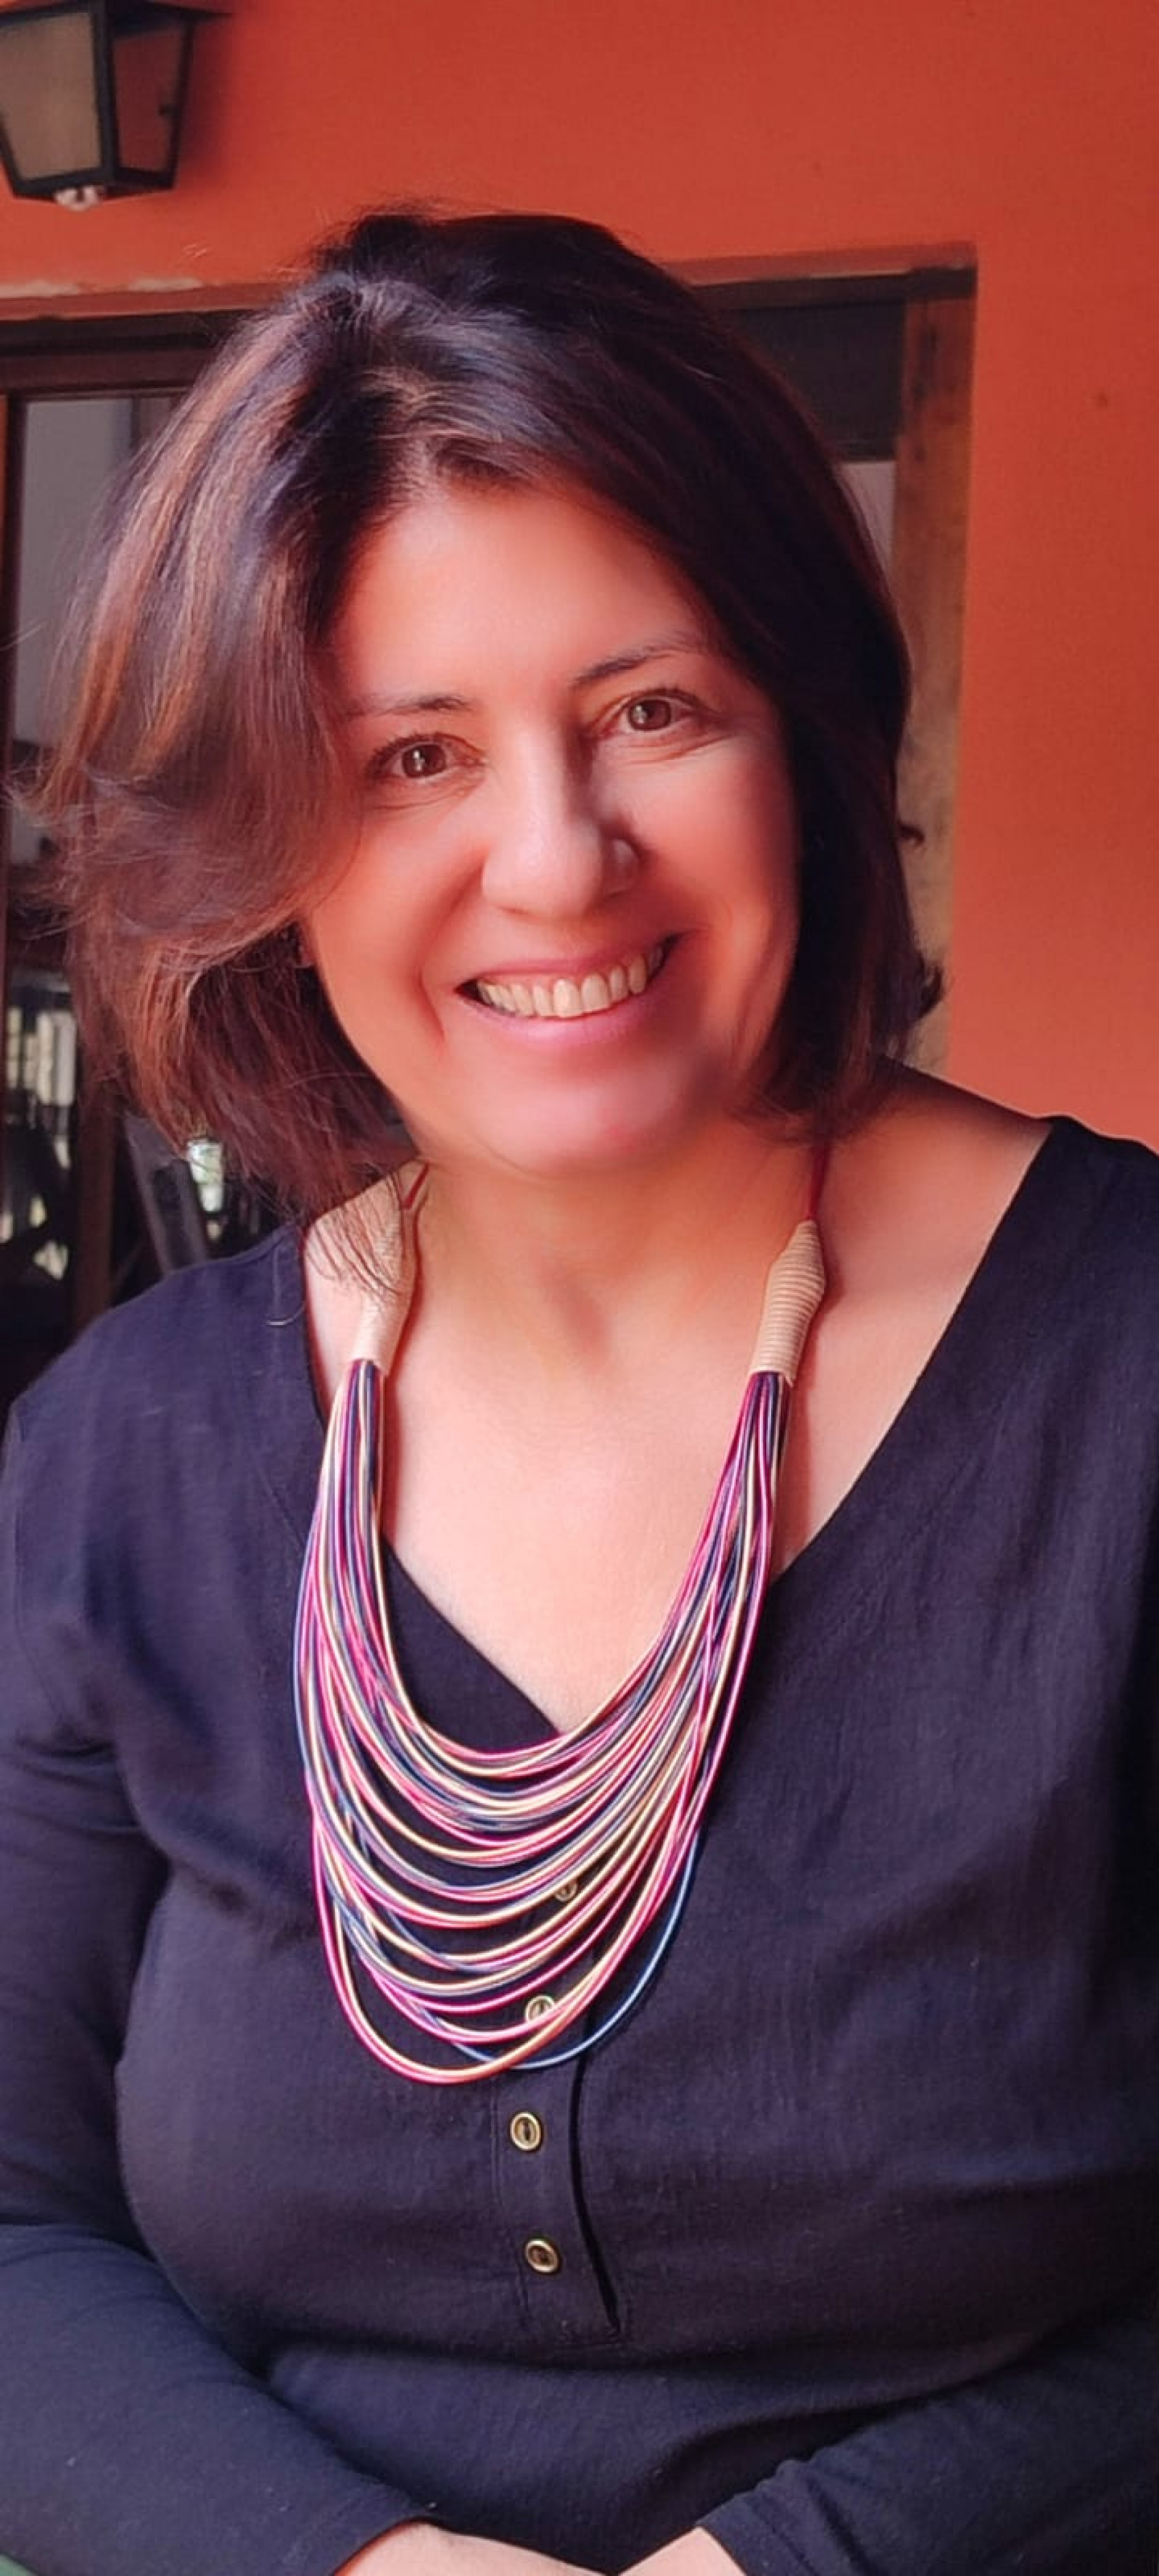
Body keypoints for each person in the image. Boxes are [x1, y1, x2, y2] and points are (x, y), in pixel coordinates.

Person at [0, 208, 1156, 2576]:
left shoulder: (1122, 1369)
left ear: (804, 728)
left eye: (650, 712)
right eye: (410, 757)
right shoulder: (126, 1451)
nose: (553, 859)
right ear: (267, 853)